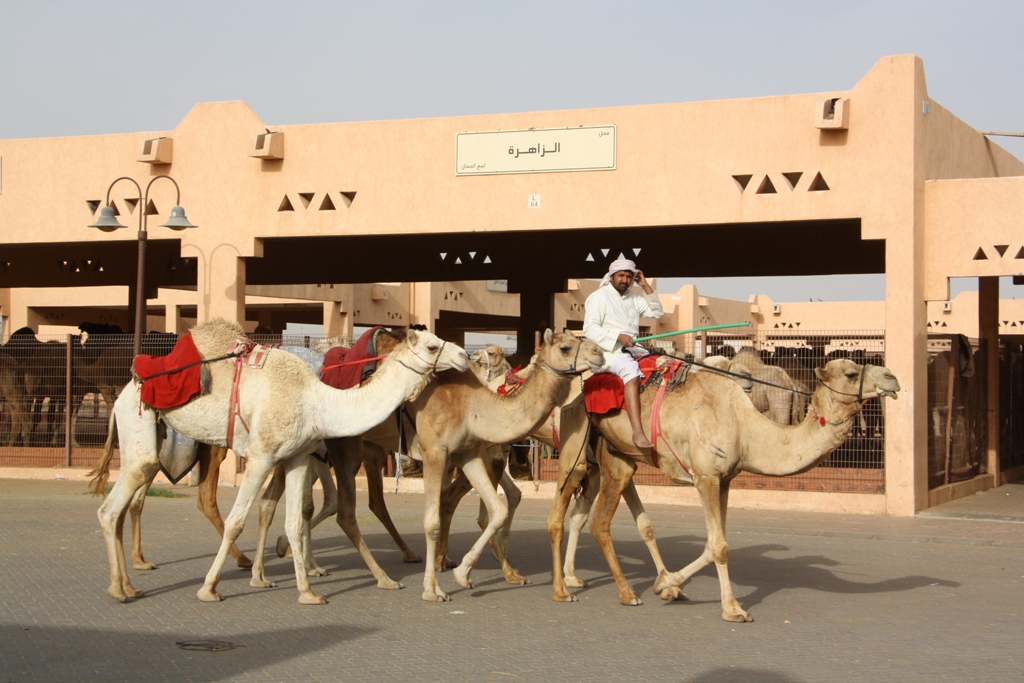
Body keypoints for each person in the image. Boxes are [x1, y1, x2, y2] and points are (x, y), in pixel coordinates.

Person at [583, 258, 664, 449]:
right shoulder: (599, 297)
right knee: (631, 372)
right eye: (621, 275)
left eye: (629, 276)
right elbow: (590, 329)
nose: (625, 280)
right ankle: (637, 431)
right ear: (611, 277)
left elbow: (657, 313)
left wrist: (645, 285)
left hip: (633, 349)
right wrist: (617, 336)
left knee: (664, 364)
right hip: (607, 352)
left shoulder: (635, 297)